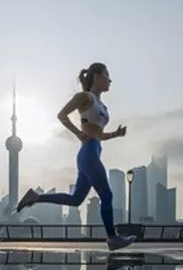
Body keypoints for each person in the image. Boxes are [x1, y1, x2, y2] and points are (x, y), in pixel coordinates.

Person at [16, 63, 135, 251]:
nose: (110, 80)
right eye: (107, 75)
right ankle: (112, 238)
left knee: (76, 200)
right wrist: (77, 133)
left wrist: (115, 134)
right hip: (88, 153)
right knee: (107, 195)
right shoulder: (85, 97)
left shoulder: (102, 105)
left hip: (93, 152)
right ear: (96, 76)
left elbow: (99, 134)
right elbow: (62, 115)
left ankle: (36, 197)